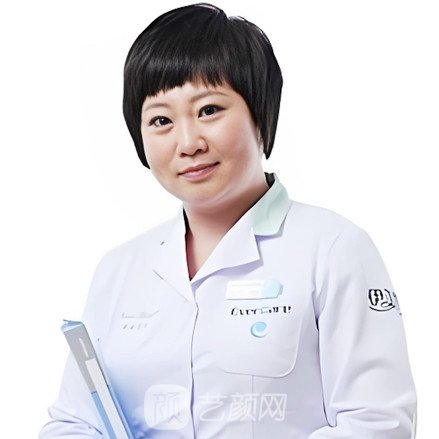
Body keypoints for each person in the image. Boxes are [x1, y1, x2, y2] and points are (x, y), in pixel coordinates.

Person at [39, 2, 417, 438]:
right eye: (160, 120)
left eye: (209, 110)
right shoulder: (119, 269)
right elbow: (74, 422)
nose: (188, 142)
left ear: (261, 112)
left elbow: (378, 423)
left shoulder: (333, 249)